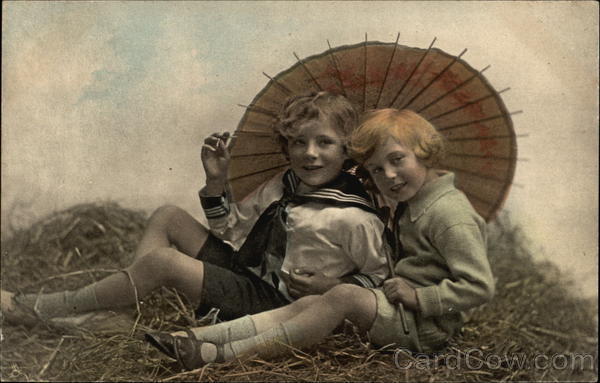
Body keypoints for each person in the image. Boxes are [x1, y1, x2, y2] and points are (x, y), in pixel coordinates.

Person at [0, 92, 389, 328]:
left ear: (347, 149)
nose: (309, 153)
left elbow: (381, 278)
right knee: (168, 215)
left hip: (277, 305)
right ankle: (122, 311)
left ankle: (38, 308)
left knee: (163, 264)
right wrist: (217, 183)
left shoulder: (356, 216)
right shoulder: (283, 185)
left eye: (325, 142)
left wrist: (331, 287)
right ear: (286, 145)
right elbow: (233, 234)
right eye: (299, 142)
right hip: (248, 275)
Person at [145, 108, 495, 370]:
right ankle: (198, 340)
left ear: (424, 151)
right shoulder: (412, 201)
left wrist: (420, 297)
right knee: (311, 305)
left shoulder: (450, 215)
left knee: (339, 295)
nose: (388, 175)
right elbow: (234, 228)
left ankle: (226, 356)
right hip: (396, 306)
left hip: (422, 326)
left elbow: (479, 287)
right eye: (375, 169)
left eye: (397, 160)